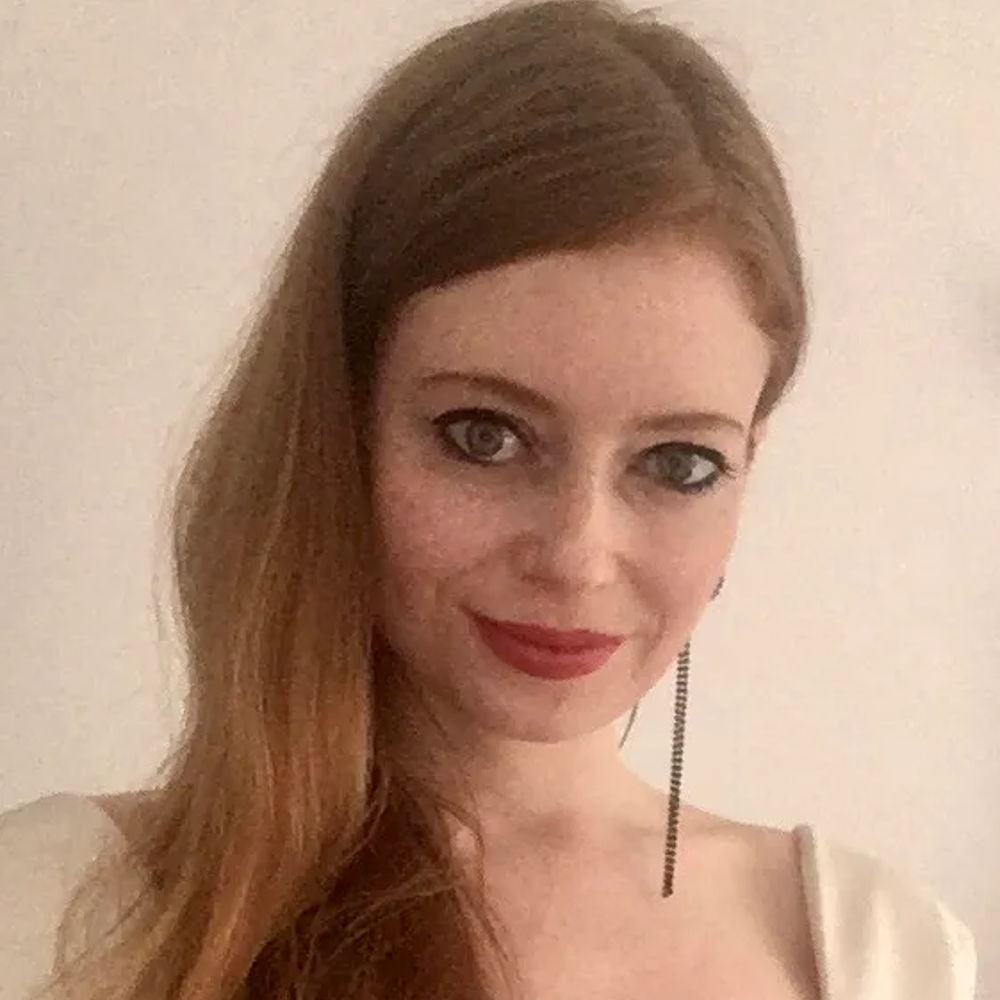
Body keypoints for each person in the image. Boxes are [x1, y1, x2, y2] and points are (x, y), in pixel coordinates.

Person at [0, 1, 977, 998]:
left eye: (678, 463)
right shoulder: (50, 913)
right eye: (484, 435)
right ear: (337, 426)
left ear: (747, 466)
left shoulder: (882, 955)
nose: (576, 555)